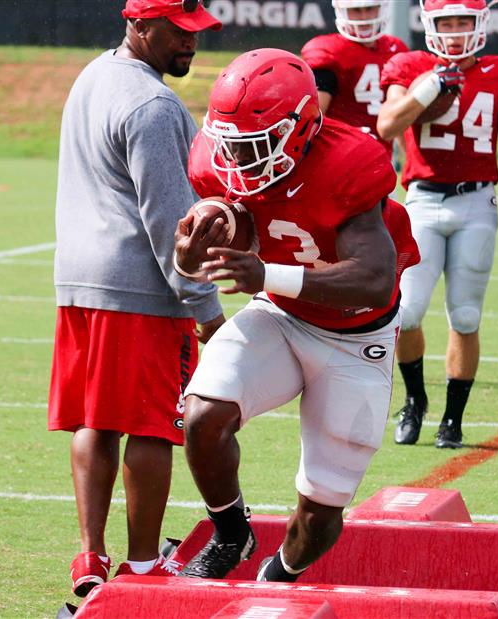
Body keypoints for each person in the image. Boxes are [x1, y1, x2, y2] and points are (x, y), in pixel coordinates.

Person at [173, 48, 420, 583]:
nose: (240, 160)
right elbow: (211, 251)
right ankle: (231, 534)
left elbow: (374, 278)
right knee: (202, 417)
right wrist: (191, 251)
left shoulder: (349, 161)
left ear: (301, 127)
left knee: (321, 510)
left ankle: (279, 573)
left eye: (256, 146)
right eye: (231, 145)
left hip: (356, 336)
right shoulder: (214, 158)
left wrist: (267, 275)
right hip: (281, 317)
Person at [49, 0, 225, 597]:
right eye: (179, 31)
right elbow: (170, 221)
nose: (191, 44)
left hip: (80, 282)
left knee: (97, 421)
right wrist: (204, 307)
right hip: (140, 289)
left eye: (196, 32)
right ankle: (146, 567)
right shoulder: (153, 103)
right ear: (140, 25)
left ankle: (90, 558)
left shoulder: (94, 74)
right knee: (154, 427)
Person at [376, 0, 498, 449]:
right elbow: (386, 125)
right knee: (406, 313)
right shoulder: (409, 66)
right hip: (423, 200)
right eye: (446, 22)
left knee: (465, 316)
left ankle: (453, 417)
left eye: (463, 21)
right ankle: (415, 399)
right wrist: (426, 89)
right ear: (429, 24)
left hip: (476, 203)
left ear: (481, 22)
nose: (455, 31)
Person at [301, 0, 408, 147]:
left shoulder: (396, 50)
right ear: (341, 11)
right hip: (340, 151)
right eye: (356, 10)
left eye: (370, 8)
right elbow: (313, 119)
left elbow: (404, 119)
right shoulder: (330, 52)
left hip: (381, 155)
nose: (364, 17)